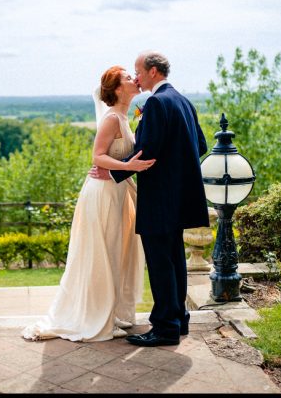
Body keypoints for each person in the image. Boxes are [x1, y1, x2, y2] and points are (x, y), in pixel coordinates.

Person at [22, 66, 154, 342]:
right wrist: (127, 166)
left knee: (116, 252)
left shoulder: (124, 117)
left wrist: (123, 169)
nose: (134, 79)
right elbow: (97, 157)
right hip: (102, 193)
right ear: (118, 89)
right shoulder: (111, 119)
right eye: (128, 78)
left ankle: (111, 311)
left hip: (116, 191)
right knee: (103, 254)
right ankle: (97, 317)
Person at [89, 50, 209, 347]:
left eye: (138, 71)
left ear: (153, 71)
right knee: (175, 261)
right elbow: (201, 145)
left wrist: (113, 172)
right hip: (180, 198)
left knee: (160, 264)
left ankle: (165, 328)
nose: (137, 77)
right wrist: (177, 171)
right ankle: (179, 320)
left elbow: (147, 151)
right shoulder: (183, 100)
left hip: (160, 199)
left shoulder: (156, 102)